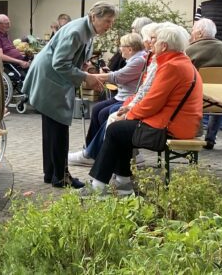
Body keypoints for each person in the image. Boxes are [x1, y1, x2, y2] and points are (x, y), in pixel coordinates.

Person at [82, 24, 202, 195]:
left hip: (170, 128)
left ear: (164, 46)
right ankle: (123, 182)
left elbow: (152, 102)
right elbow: (150, 98)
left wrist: (129, 114)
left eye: (155, 41)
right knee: (120, 130)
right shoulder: (178, 62)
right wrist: (128, 111)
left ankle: (98, 187)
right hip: (177, 123)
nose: (152, 44)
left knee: (116, 130)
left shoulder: (171, 66)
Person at [24, 1, 117, 188]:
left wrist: (87, 70)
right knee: (58, 128)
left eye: (111, 22)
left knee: (52, 128)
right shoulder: (77, 32)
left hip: (52, 78)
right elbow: (60, 63)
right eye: (107, 21)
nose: (109, 26)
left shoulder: (85, 30)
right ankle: (60, 176)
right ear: (93, 17)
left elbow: (74, 58)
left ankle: (52, 173)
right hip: (50, 79)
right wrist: (86, 78)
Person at [68, 32, 147, 165]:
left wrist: (86, 76)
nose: (119, 48)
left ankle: (98, 153)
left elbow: (118, 77)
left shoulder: (139, 60)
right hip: (122, 96)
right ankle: (91, 150)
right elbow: (120, 77)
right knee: (97, 108)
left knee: (104, 113)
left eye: (121, 46)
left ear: (130, 49)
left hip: (127, 99)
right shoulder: (135, 59)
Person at [186, 17, 222, 149]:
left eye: (193, 31)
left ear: (200, 33)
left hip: (196, 101)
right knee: (220, 95)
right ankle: (210, 138)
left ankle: (193, 134)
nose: (191, 34)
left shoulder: (188, 51)